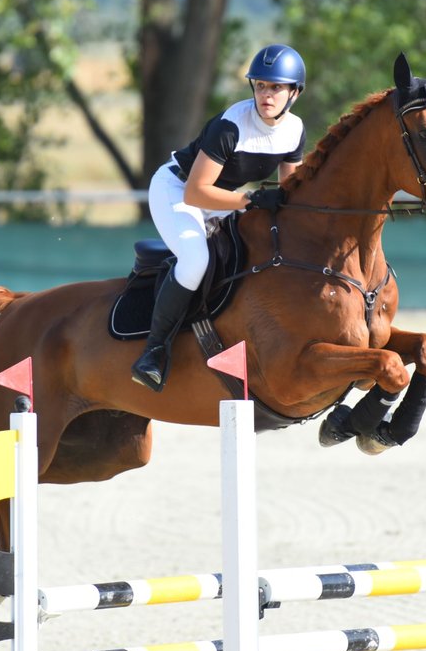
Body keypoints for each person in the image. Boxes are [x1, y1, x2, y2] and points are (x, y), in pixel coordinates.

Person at [131, 44, 308, 392]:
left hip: (222, 198)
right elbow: (195, 192)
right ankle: (153, 352)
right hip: (177, 190)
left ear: (294, 93)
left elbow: (291, 191)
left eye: (275, 88)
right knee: (197, 260)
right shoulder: (231, 125)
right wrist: (251, 198)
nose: (266, 95)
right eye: (260, 86)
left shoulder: (295, 130)